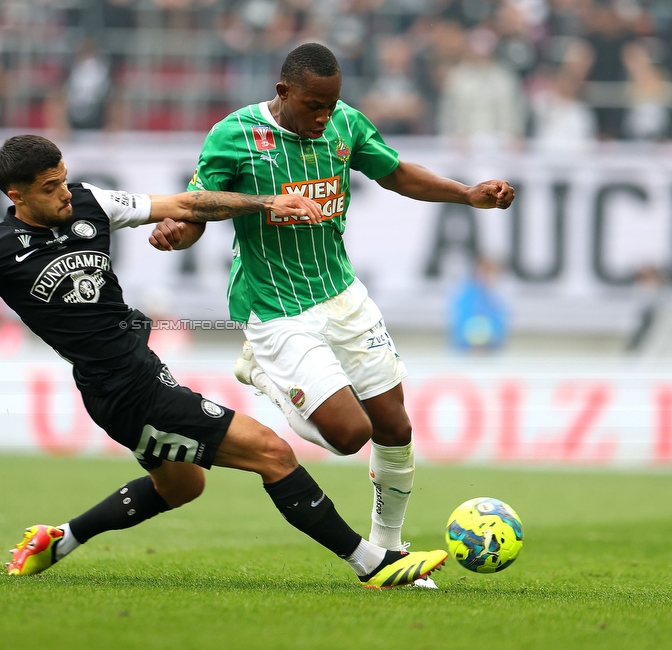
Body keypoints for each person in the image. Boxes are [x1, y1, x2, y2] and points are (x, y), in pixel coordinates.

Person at [0, 134, 447, 589]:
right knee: (274, 454)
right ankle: (371, 562)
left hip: (141, 373)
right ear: (16, 196)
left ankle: (59, 540)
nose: (64, 195)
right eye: (48, 189)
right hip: (122, 392)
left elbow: (186, 204)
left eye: (64, 179)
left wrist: (265, 202)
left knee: (182, 487)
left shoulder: (93, 203)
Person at [149, 43, 514, 588]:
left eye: (332, 104)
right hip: (276, 309)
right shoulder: (235, 135)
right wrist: (180, 232)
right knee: (348, 436)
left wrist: (467, 194)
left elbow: (396, 174)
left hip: (342, 296)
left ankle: (391, 552)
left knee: (395, 425)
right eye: (314, 105)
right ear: (284, 92)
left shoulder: (344, 124)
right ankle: (264, 372)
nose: (324, 116)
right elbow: (201, 206)